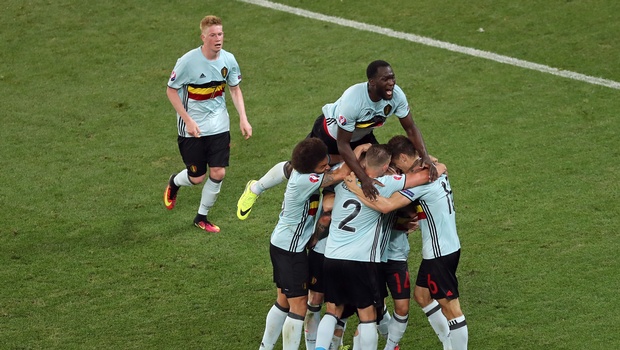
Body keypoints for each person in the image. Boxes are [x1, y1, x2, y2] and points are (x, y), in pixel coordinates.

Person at [237, 60, 436, 221]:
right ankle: (256, 188)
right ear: (372, 83)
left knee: (383, 163)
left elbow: (410, 127)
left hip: (361, 135)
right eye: (386, 79)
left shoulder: (396, 95)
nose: (391, 83)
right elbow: (342, 145)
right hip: (329, 135)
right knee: (300, 169)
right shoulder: (353, 100)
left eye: (392, 78)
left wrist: (425, 156)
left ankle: (403, 216)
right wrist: (364, 179)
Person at [314, 145, 442, 350]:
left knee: (332, 310)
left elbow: (338, 178)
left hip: (332, 257)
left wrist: (355, 154)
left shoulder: (344, 179)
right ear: (385, 167)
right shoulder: (386, 183)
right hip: (361, 261)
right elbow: (427, 176)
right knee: (368, 316)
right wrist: (433, 161)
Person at [344, 158, 468, 350]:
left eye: (398, 168)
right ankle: (447, 343)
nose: (400, 174)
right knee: (421, 295)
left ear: (401, 159)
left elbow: (386, 206)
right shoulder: (429, 170)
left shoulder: (419, 183)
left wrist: (355, 189)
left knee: (451, 308)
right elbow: (439, 164)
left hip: (439, 253)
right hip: (439, 250)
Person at [259, 139, 364, 350]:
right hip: (290, 250)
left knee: (283, 301)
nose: (326, 166)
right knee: (298, 306)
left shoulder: (299, 170)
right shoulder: (306, 180)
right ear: (311, 170)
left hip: (283, 244)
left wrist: (256, 187)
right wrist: (359, 150)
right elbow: (342, 172)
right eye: (321, 166)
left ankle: (265, 347)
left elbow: (283, 168)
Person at [163, 15, 252, 232]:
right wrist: (188, 120)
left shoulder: (228, 60)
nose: (217, 38)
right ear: (204, 37)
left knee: (218, 172)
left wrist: (243, 117)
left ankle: (201, 216)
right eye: (213, 35)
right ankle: (175, 182)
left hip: (219, 124)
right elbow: (171, 90)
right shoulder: (188, 62)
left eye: (220, 34)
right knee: (197, 177)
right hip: (192, 127)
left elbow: (234, 88)